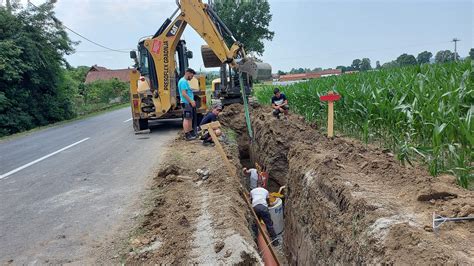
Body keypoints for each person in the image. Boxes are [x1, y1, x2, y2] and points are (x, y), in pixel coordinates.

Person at [250, 180, 279, 246]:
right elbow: (268, 201)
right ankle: (275, 242)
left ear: (257, 185)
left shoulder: (252, 191)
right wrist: (270, 204)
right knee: (269, 224)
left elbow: (251, 201)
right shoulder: (265, 191)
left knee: (255, 224)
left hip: (255, 208)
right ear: (263, 185)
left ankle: (256, 241)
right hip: (263, 207)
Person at [179, 68, 197, 140]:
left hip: (187, 103)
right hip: (186, 103)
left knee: (189, 118)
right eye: (191, 76)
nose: (192, 78)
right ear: (188, 73)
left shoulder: (184, 81)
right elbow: (184, 94)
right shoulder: (183, 82)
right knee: (187, 119)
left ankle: (191, 132)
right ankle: (187, 135)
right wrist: (191, 101)